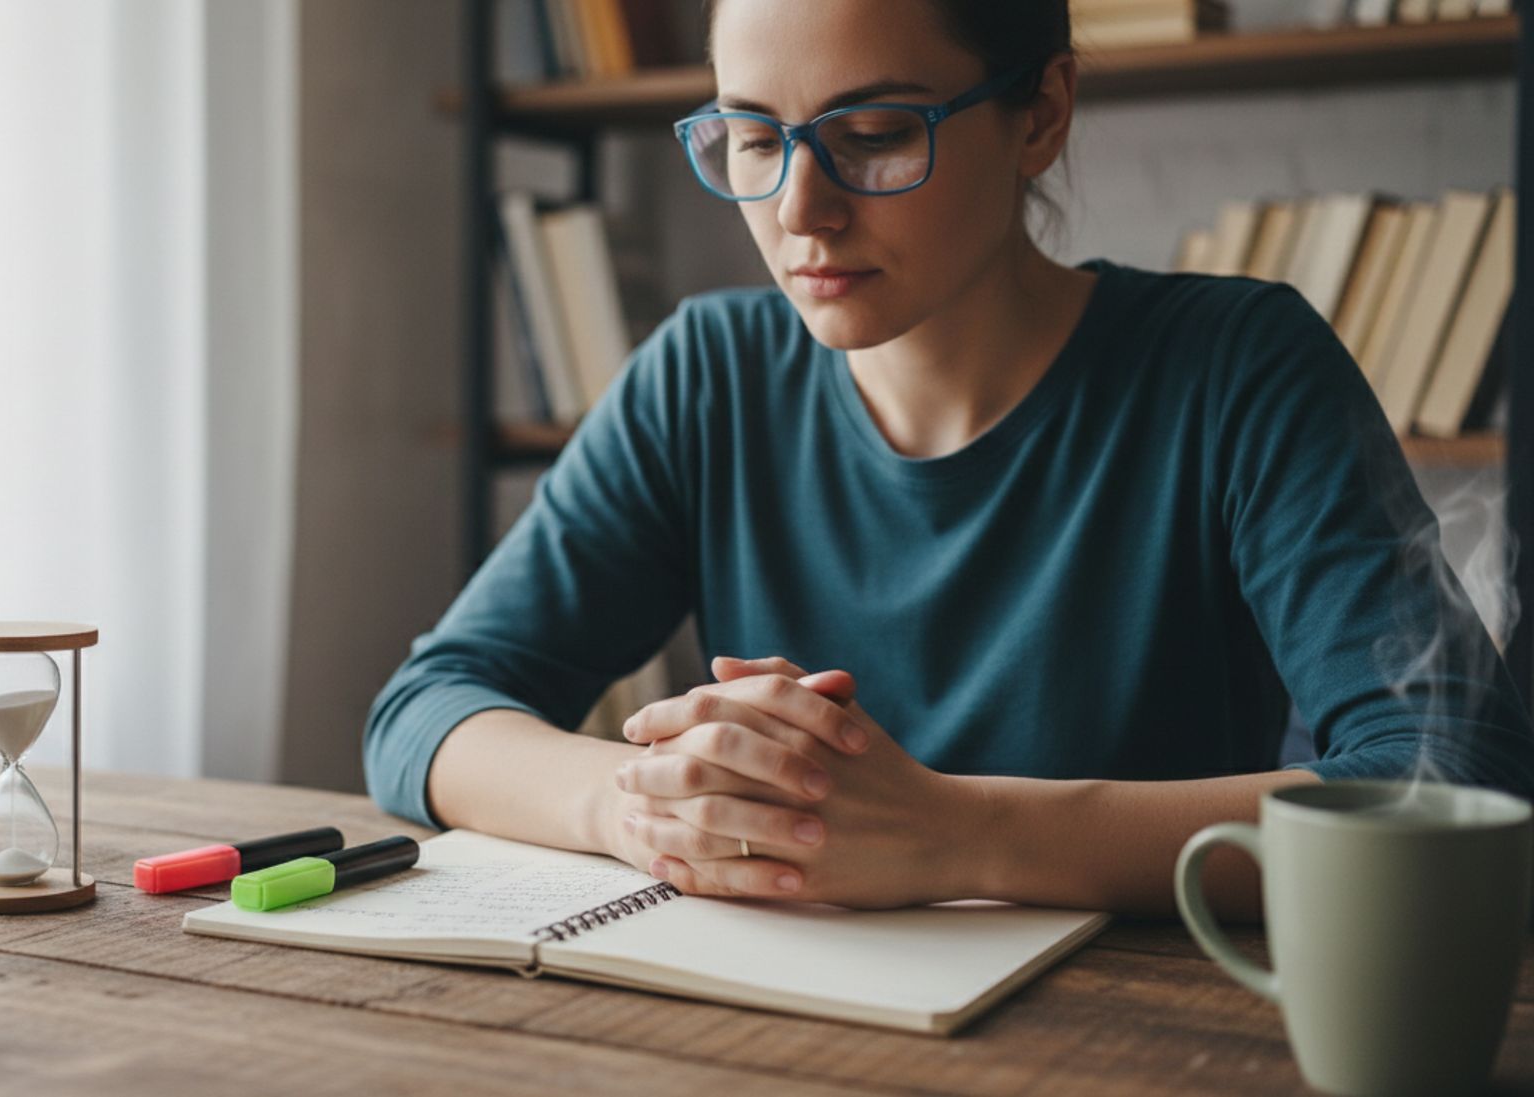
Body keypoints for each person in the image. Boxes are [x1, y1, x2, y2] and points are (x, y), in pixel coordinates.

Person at [363, 0, 1534, 919]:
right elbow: (426, 708)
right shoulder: (706, 374)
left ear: (1041, 114)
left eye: (875, 136)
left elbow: (1452, 782)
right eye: (754, 139)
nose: (800, 210)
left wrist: (958, 832)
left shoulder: (1235, 366)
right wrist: (640, 807)